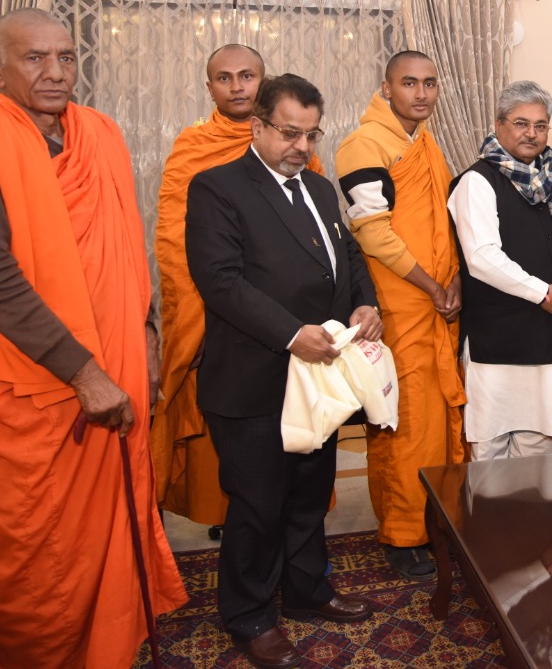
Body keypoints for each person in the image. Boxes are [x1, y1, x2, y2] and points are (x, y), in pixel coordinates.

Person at [0, 8, 186, 667]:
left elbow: (126, 245)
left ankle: (110, 646)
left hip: (111, 364)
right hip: (28, 383)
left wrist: (145, 333)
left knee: (109, 522)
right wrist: (83, 372)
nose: (55, 72)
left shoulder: (99, 133)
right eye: (34, 58)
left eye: (65, 57)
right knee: (33, 546)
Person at [186, 73, 380, 668]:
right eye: (290, 132)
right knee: (258, 504)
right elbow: (220, 280)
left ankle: (306, 591)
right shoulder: (217, 188)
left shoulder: (319, 189)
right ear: (259, 126)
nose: (301, 145)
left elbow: (347, 253)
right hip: (254, 379)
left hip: (317, 380)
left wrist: (365, 300)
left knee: (307, 496)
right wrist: (293, 334)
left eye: (311, 133)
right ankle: (247, 614)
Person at [150, 44, 322, 528]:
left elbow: (321, 243)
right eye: (224, 78)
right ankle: (229, 517)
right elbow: (174, 241)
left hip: (293, 327)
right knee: (231, 437)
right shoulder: (193, 148)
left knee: (299, 462)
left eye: (247, 76)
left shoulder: (298, 149)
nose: (237, 86)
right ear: (209, 88)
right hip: (214, 313)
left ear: (263, 82)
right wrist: (194, 320)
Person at [334, 50, 466, 581]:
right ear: (386, 88)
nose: (421, 93)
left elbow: (445, 223)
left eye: (430, 83)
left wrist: (454, 279)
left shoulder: (426, 143)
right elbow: (372, 231)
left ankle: (438, 519)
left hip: (436, 304)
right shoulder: (364, 144)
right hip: (396, 305)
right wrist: (432, 283)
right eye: (409, 83)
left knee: (437, 417)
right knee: (400, 419)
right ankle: (402, 532)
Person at [447, 80, 552, 459]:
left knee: (539, 450)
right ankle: (491, 522)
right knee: (490, 452)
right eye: (521, 123)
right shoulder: (476, 182)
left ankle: (538, 522)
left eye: (540, 125)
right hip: (495, 342)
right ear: (498, 125)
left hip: (543, 339)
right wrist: (543, 293)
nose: (531, 133)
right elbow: (482, 257)